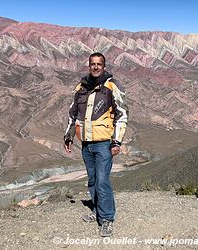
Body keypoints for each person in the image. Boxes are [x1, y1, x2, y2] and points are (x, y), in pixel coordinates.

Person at [63, 52, 128, 237]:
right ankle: (97, 211)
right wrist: (68, 136)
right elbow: (72, 114)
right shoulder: (81, 88)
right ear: (89, 65)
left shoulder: (112, 86)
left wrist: (117, 141)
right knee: (92, 181)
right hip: (86, 145)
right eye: (93, 64)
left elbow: (122, 114)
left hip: (104, 144)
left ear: (104, 66)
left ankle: (107, 219)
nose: (96, 67)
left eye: (99, 64)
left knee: (102, 182)